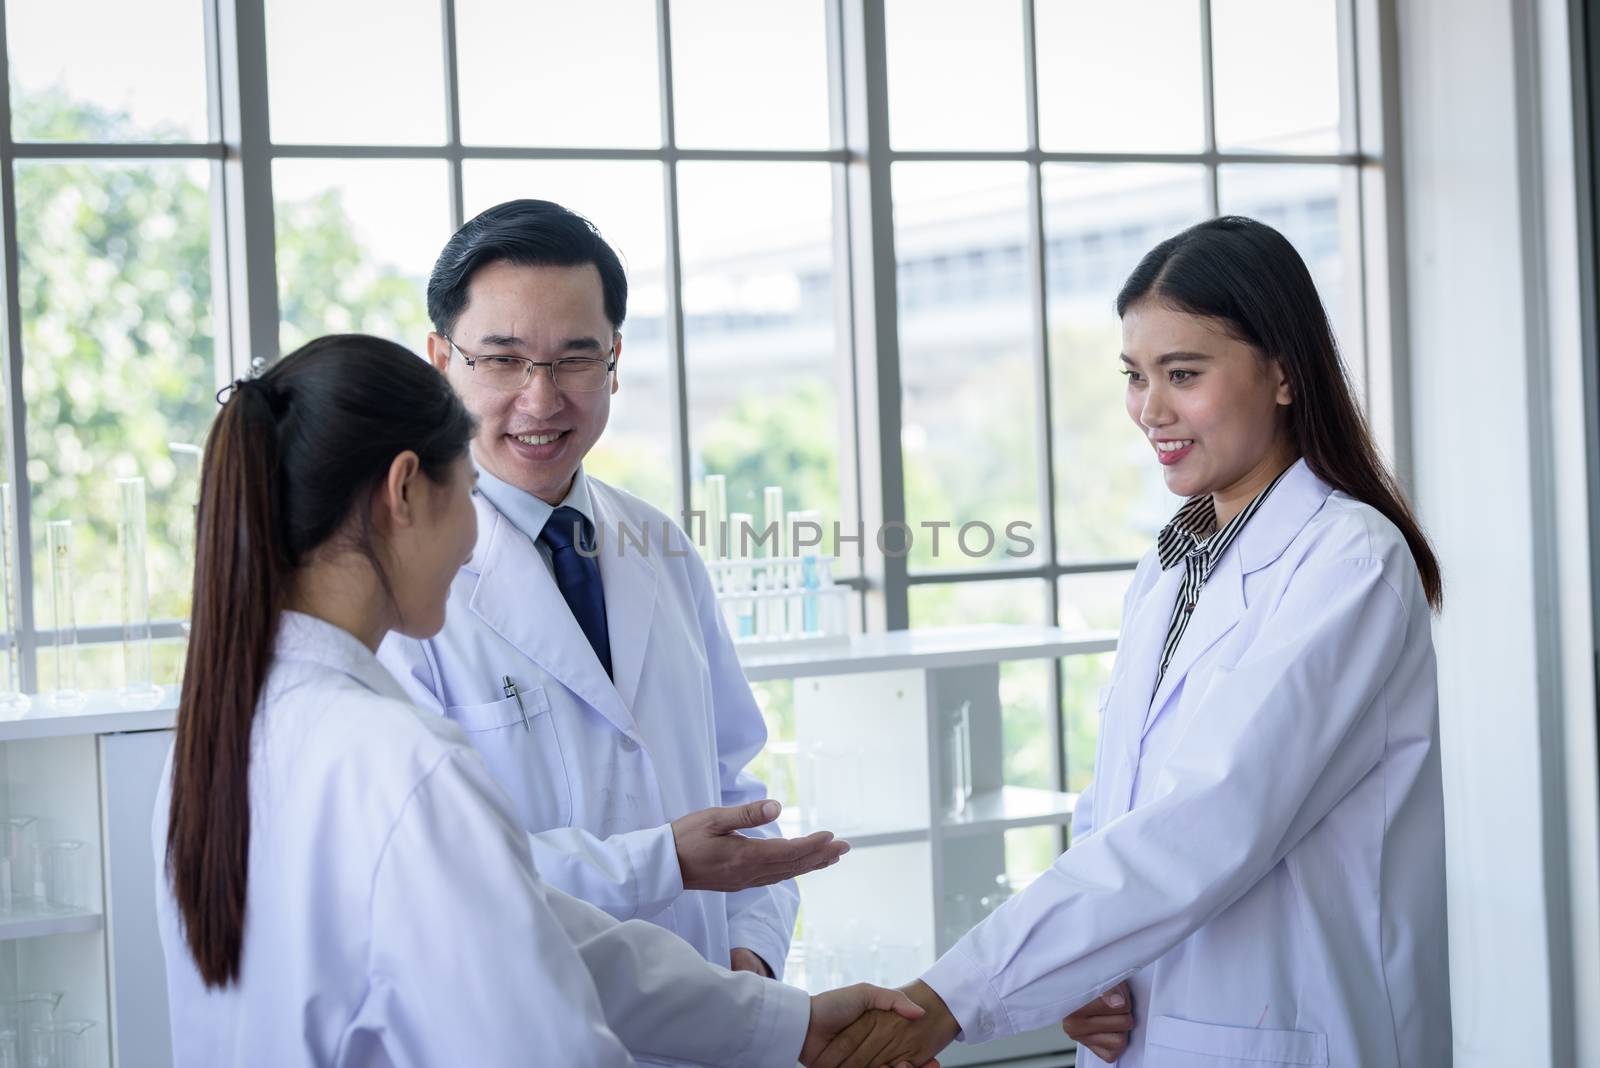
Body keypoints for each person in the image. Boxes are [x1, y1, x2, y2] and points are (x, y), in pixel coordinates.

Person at [151, 334, 928, 1068]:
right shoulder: (400, 763)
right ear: (405, 491)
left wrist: (782, 1021)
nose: (469, 540)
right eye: (466, 492)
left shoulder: (231, 730)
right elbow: (544, 1040)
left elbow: (545, 933)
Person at [812, 216, 1451, 1068]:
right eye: (1136, 376)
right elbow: (1119, 806)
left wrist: (953, 998)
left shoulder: (1350, 561)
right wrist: (1089, 976)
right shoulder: (1174, 558)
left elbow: (1214, 818)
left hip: (1294, 1034)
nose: (1151, 410)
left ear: (1285, 374)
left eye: (1183, 374)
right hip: (1150, 1034)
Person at [377, 200, 831, 997]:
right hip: (520, 1027)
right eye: (504, 359)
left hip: (708, 1026)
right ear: (441, 361)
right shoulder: (400, 586)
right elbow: (424, 866)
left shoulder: (660, 545)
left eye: (575, 359)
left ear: (615, 359)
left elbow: (736, 790)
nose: (542, 398)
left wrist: (750, 962)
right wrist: (660, 863)